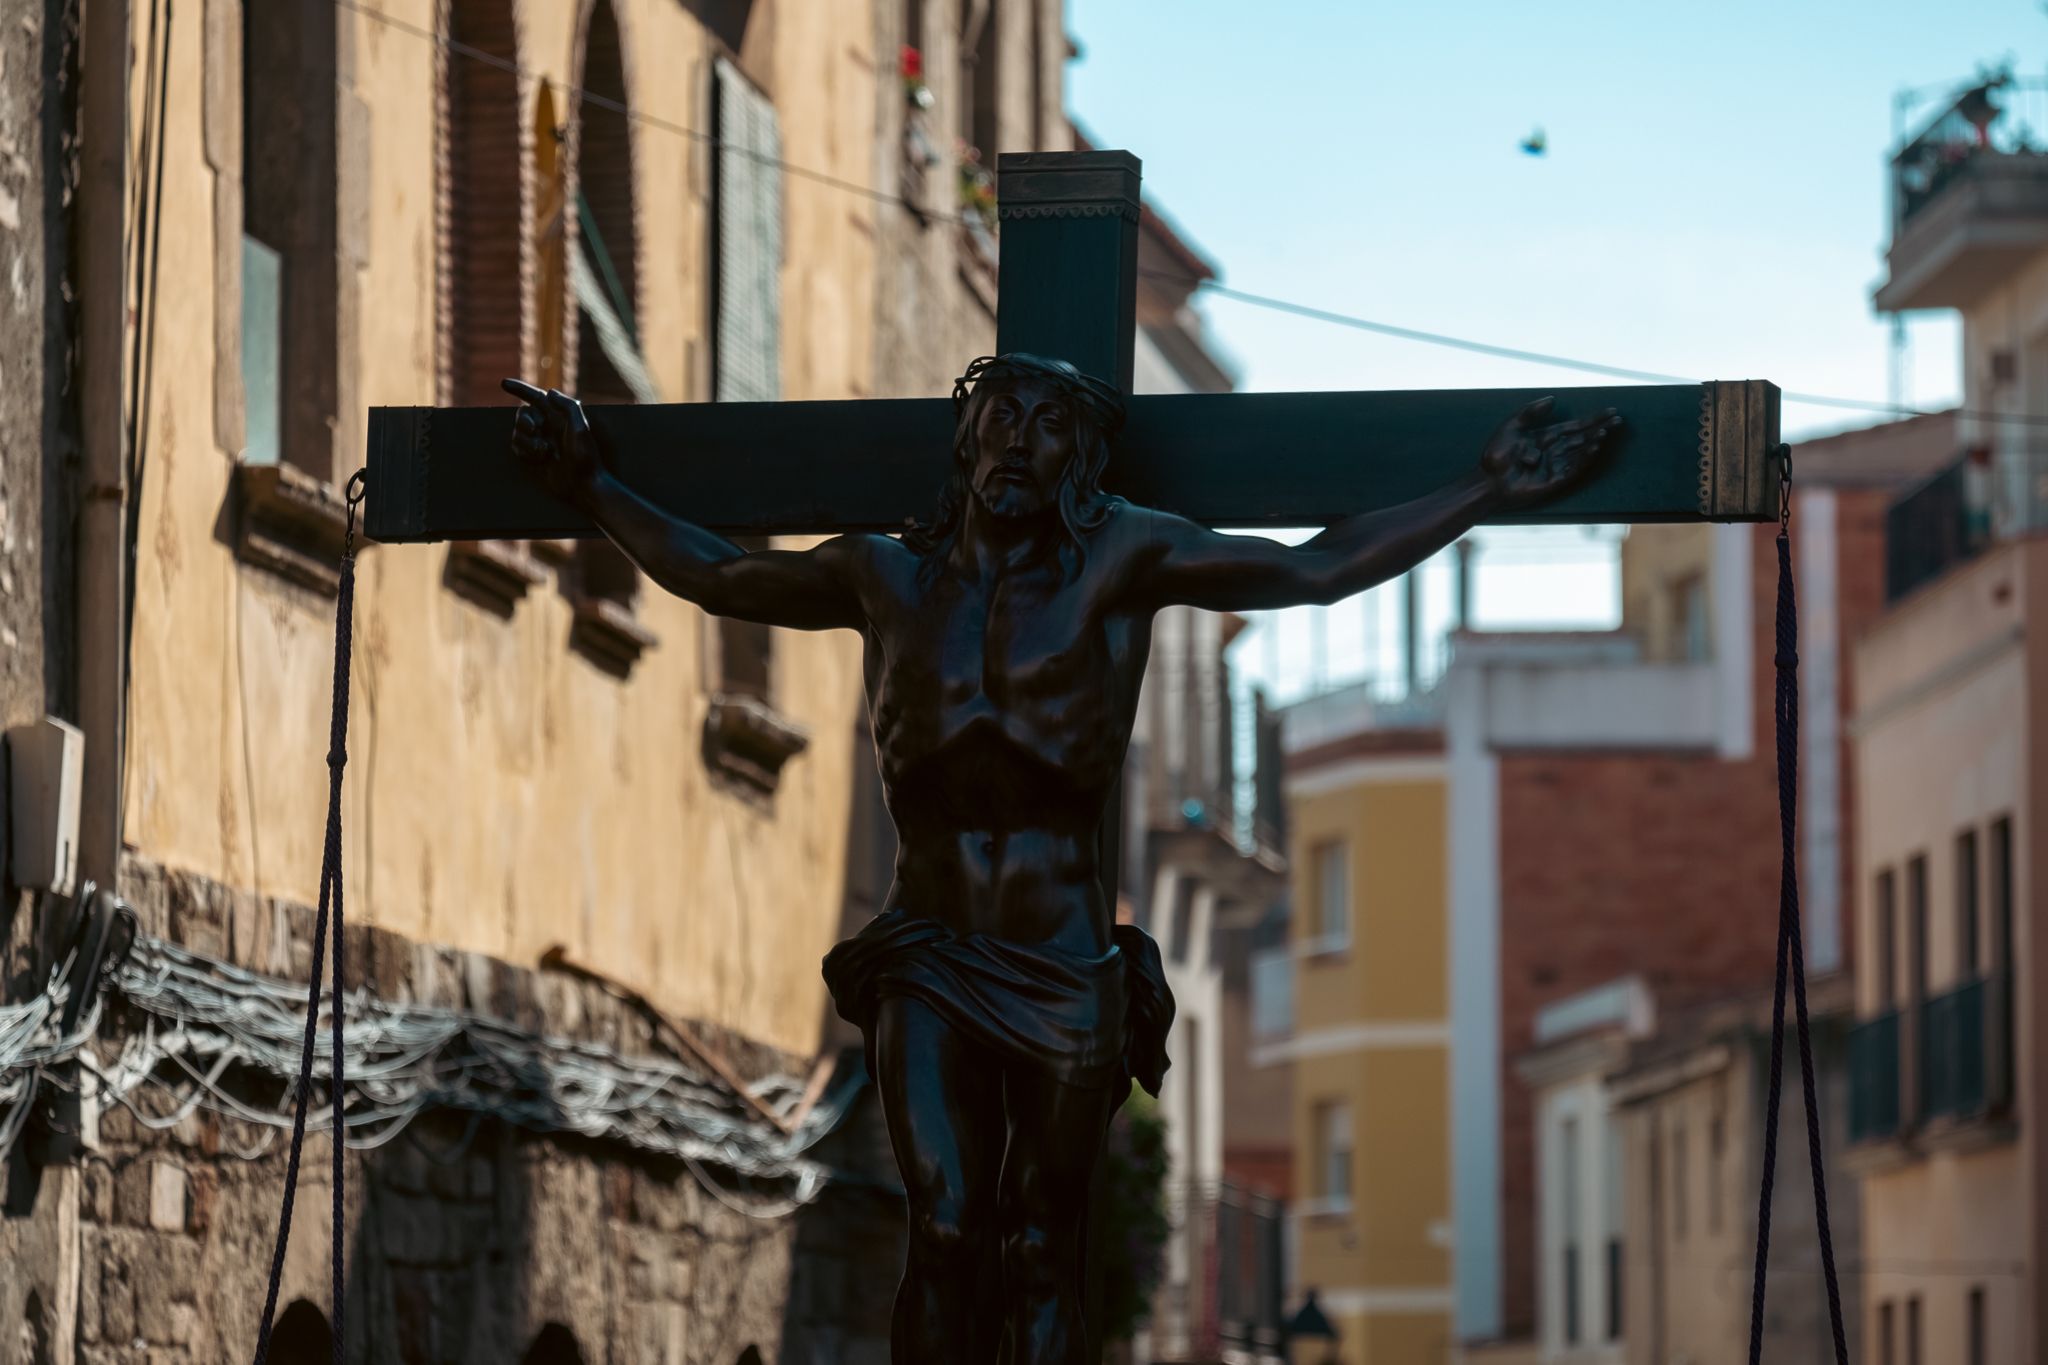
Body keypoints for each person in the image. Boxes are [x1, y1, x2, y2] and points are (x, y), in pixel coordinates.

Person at [508, 355, 1619, 1364]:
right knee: (942, 1221)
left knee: (1042, 1244)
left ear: (1080, 459)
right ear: (966, 438)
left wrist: (1481, 491)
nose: (1016, 444)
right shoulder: (881, 578)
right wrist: (587, 489)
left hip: (1063, 961)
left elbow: (1312, 571)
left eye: (1047, 425)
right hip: (930, 951)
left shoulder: (1122, 563)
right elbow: (717, 576)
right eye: (999, 419)